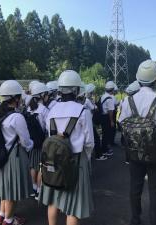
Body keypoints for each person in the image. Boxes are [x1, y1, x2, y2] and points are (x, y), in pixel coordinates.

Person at [118, 60, 156, 225]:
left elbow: (122, 124)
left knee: (135, 189)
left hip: (134, 152)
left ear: (138, 79)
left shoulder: (128, 101)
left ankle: (135, 219)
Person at [40, 70, 94, 225]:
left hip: (54, 159)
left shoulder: (51, 111)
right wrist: (87, 158)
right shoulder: (83, 111)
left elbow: (51, 135)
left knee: (53, 201)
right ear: (77, 90)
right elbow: (89, 142)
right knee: (73, 206)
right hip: (76, 159)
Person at [0, 80, 34, 225]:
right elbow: (26, 141)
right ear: (16, 98)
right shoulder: (17, 117)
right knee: (12, 190)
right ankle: (9, 220)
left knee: (6, 187)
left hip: (2, 155)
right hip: (14, 156)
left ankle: (2, 215)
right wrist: (32, 145)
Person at [27, 81, 49, 200]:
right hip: (42, 142)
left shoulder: (29, 108)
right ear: (42, 95)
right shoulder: (44, 110)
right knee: (41, 166)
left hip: (32, 142)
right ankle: (39, 190)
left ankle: (33, 187)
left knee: (33, 165)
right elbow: (48, 127)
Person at [85, 83, 107, 161]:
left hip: (90, 121)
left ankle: (91, 155)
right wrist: (94, 104)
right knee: (96, 139)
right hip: (89, 122)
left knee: (94, 138)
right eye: (92, 92)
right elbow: (95, 108)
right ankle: (98, 155)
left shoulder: (88, 99)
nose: (93, 93)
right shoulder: (87, 100)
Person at [100, 81, 115, 156]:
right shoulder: (110, 99)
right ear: (112, 90)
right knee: (107, 134)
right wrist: (111, 121)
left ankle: (104, 148)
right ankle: (105, 150)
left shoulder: (103, 96)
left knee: (104, 133)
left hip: (102, 117)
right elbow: (110, 111)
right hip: (107, 117)